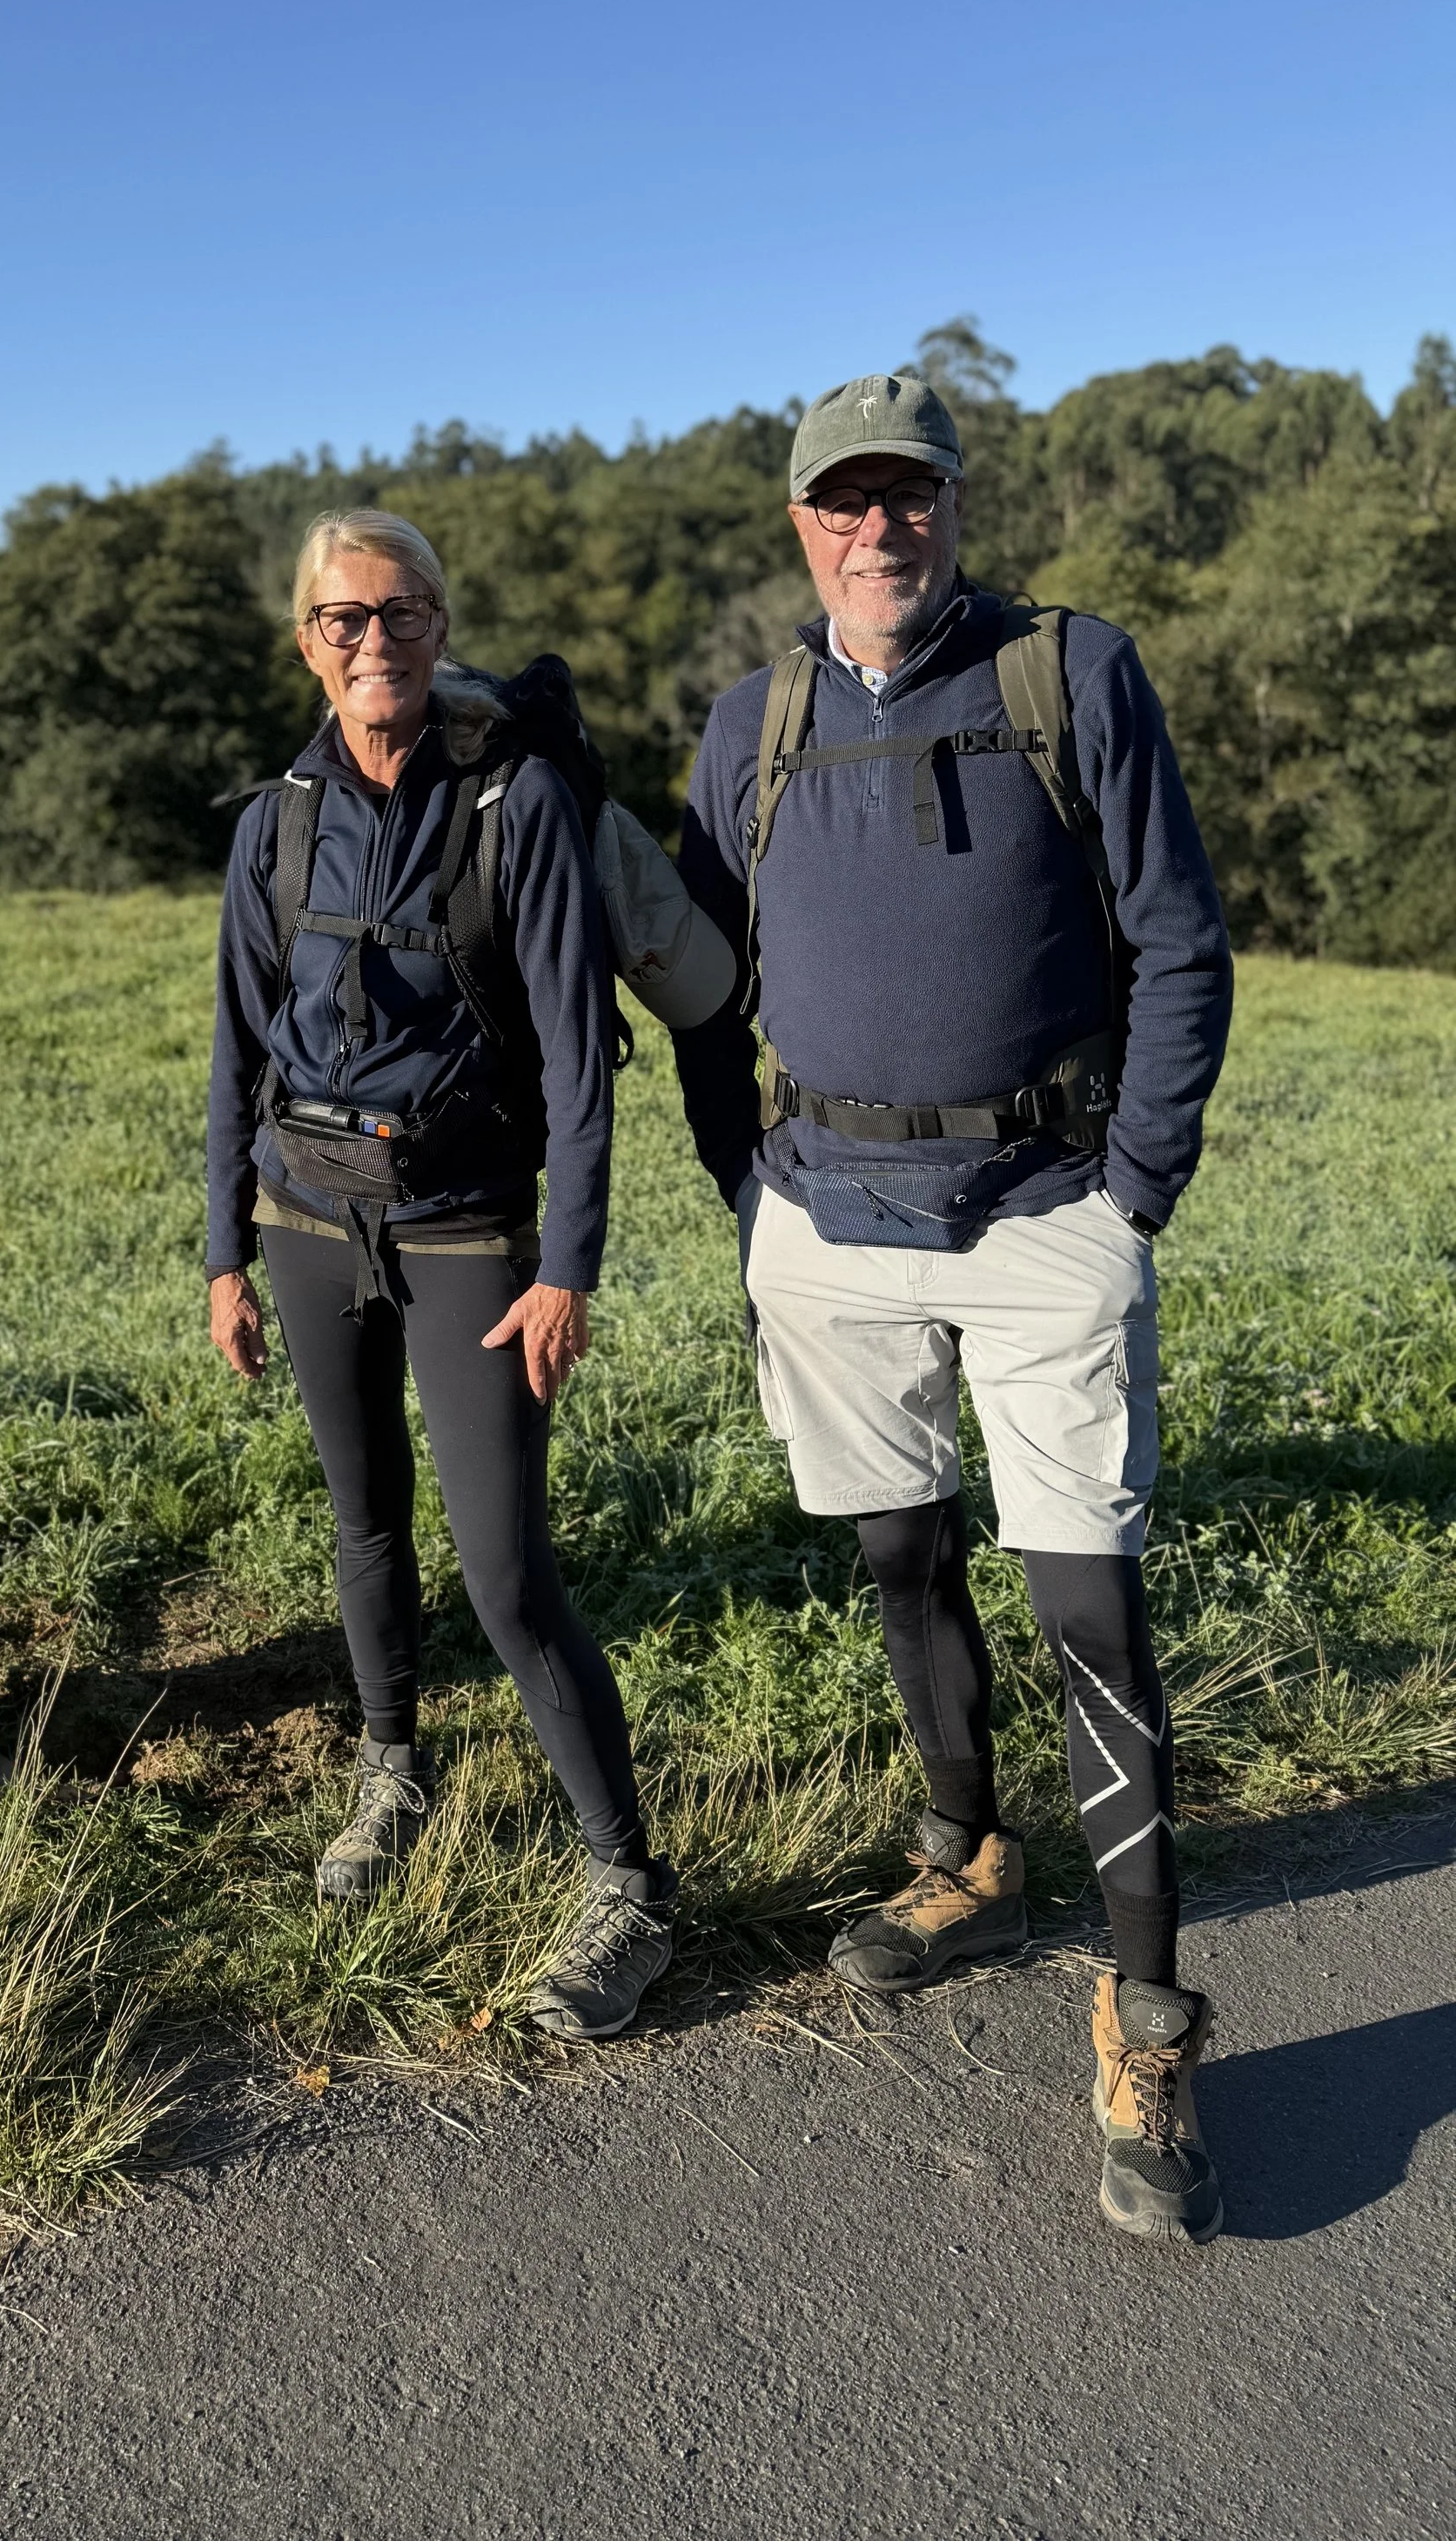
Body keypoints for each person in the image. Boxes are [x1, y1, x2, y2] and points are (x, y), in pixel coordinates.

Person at [672, 373, 1234, 2242]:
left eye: (906, 497)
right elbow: (688, 978)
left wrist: (1132, 1182)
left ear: (951, 509)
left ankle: (1146, 2016)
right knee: (897, 1555)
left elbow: (1172, 931)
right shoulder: (748, 723)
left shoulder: (1062, 679)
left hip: (1043, 1208)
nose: (877, 530)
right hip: (821, 1213)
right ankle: (959, 1854)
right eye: (843, 503)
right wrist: (739, 1181)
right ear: (799, 526)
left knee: (1084, 1598)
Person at [205, 507, 676, 2040]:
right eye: (343, 620)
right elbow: (234, 1045)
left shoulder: (515, 803)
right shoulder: (273, 820)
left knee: (504, 1570)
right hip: (303, 1222)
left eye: (401, 613)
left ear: (439, 621)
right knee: (360, 1527)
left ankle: (630, 1888)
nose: (374, 642)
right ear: (308, 641)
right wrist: (225, 1248)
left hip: (471, 1225)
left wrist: (568, 1264)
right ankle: (389, 1767)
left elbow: (575, 1052)